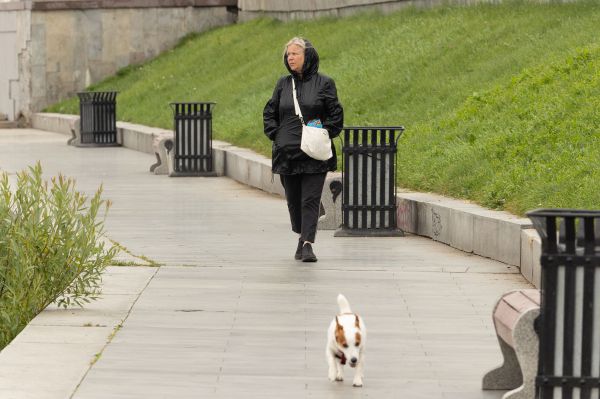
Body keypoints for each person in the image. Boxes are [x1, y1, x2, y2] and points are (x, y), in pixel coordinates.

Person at [263, 37, 344, 262]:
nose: (290, 57)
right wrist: (276, 135)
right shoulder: (283, 84)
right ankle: (302, 234)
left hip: (313, 154)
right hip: (287, 154)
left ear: (307, 56)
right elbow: (270, 112)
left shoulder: (324, 83)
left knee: (310, 199)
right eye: (288, 54)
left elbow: (336, 114)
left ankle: (308, 244)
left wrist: (325, 131)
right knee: (294, 201)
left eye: (295, 53)